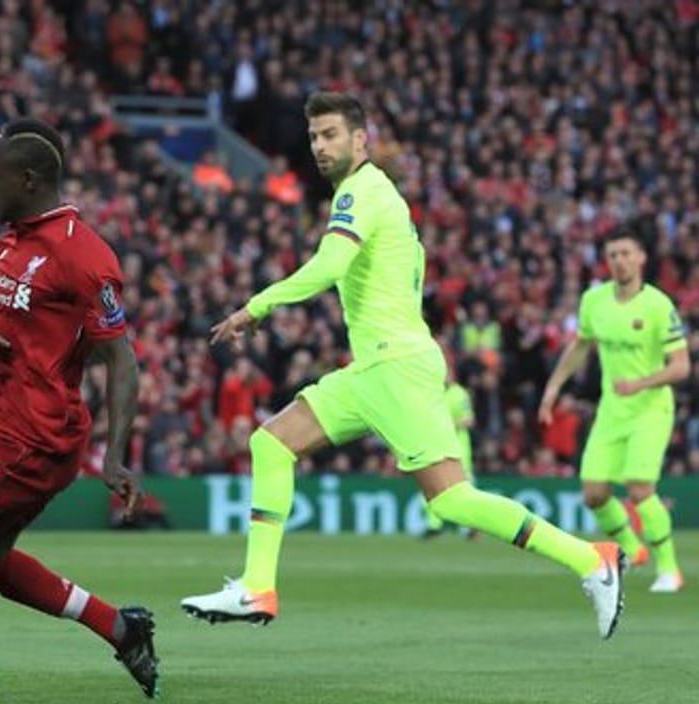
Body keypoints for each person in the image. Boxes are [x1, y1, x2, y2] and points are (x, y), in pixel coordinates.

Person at [180, 92, 625, 640]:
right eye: (314, 137)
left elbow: (330, 264)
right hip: (379, 365)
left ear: (360, 139)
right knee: (271, 443)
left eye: (331, 135)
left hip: (393, 367)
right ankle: (257, 587)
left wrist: (257, 307)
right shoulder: (379, 198)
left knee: (453, 499)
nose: (319, 146)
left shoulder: (362, 191)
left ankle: (591, 559)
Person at [0, 118, 159, 702]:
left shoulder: (83, 255)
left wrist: (115, 459)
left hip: (35, 438)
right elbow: (37, 334)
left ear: (30, 178)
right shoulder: (13, 239)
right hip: (9, 424)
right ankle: (120, 627)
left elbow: (121, 359)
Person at [539, 227, 690, 593]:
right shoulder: (594, 301)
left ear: (641, 258)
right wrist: (553, 390)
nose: (618, 261)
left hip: (651, 408)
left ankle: (669, 569)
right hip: (612, 410)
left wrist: (639, 384)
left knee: (640, 488)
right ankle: (633, 551)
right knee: (593, 493)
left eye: (625, 253)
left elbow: (682, 366)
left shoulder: (658, 305)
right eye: (612, 255)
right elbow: (579, 347)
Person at [422, 361, 477, 539]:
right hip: (435, 444)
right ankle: (434, 525)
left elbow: (468, 420)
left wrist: (446, 425)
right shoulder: (431, 393)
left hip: (458, 445)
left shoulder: (459, 394)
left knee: (464, 485)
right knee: (432, 482)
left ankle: (471, 526)